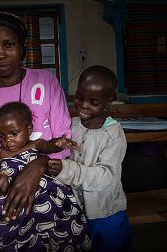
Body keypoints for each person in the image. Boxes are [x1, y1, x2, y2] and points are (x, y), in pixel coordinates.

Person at [0, 11, 83, 249]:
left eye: (8, 44)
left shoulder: (46, 81)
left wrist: (38, 166)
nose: (0, 53)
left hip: (47, 179)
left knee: (56, 232)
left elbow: (63, 137)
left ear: (22, 47)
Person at [0, 102, 90, 251]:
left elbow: (47, 146)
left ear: (29, 129)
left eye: (14, 133)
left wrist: (58, 143)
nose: (8, 140)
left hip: (39, 187)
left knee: (55, 207)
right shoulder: (0, 152)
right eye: (1, 136)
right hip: (10, 188)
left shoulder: (35, 144)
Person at [48, 65, 133, 252]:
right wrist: (59, 144)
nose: (83, 105)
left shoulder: (113, 134)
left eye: (93, 102)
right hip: (76, 212)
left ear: (109, 102)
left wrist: (67, 170)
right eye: (79, 97)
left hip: (105, 213)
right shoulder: (73, 124)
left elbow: (106, 177)